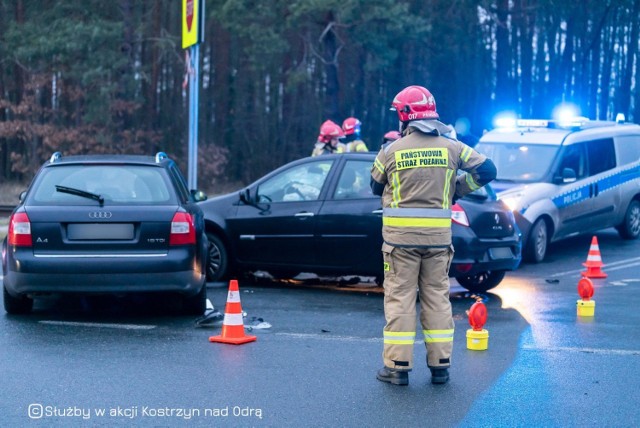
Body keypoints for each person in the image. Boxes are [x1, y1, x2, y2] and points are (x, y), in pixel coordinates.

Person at [370, 85, 496, 386]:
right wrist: (456, 189)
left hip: (400, 243)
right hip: (438, 241)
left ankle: (397, 367)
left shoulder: (391, 151)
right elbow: (487, 170)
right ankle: (440, 366)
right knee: (437, 298)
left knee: (400, 299)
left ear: (404, 115)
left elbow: (375, 187)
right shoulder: (452, 147)